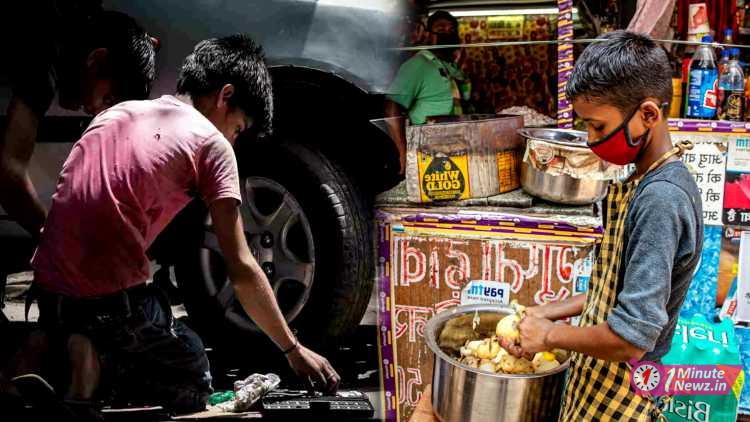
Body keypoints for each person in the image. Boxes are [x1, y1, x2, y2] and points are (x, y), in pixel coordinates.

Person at [28, 34, 340, 414]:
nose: (233, 139)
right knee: (193, 373)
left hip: (47, 292)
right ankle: (92, 363)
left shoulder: (117, 114)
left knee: (127, 299)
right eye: (239, 128)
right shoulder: (211, 144)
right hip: (108, 305)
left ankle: (56, 345)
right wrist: (293, 349)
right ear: (225, 96)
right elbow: (241, 267)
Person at [518, 31, 703, 421]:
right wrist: (552, 310)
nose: (591, 140)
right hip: (597, 381)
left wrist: (549, 336)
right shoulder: (643, 180)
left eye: (599, 127)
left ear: (648, 115)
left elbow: (631, 337)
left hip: (623, 394)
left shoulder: (661, 199)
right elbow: (623, 288)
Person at [384, 10, 470, 173]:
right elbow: (391, 107)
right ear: (428, 34)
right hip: (429, 151)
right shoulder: (417, 65)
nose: (447, 33)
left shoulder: (450, 67)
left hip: (456, 147)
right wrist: (402, 152)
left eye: (451, 29)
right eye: (440, 28)